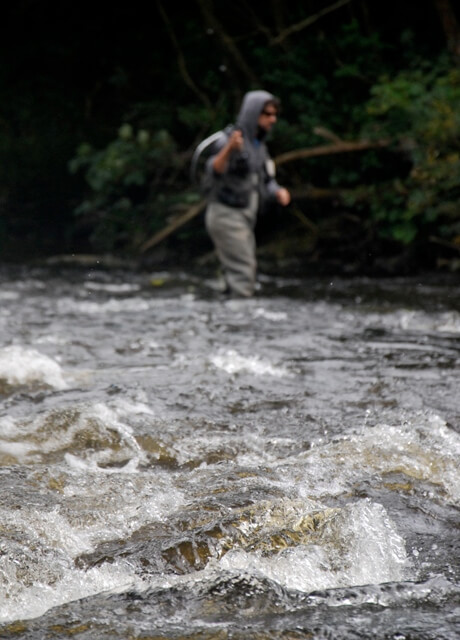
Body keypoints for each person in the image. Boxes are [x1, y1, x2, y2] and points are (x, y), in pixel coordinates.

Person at [203, 90, 291, 298]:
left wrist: (277, 191)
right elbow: (214, 169)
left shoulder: (258, 146)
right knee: (243, 271)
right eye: (267, 114)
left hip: (245, 217)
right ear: (253, 113)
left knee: (234, 271)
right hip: (226, 215)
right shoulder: (228, 140)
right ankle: (241, 322)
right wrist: (230, 149)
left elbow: (266, 179)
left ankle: (225, 309)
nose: (273, 119)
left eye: (274, 114)